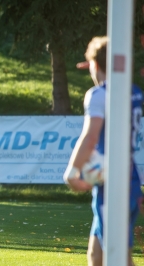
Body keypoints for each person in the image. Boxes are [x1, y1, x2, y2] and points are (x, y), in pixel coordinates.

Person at [63, 36, 143, 266]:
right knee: (96, 256)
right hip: (128, 175)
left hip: (113, 181)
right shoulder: (135, 92)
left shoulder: (100, 94)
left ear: (94, 64)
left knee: (118, 258)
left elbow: (90, 136)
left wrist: (72, 171)